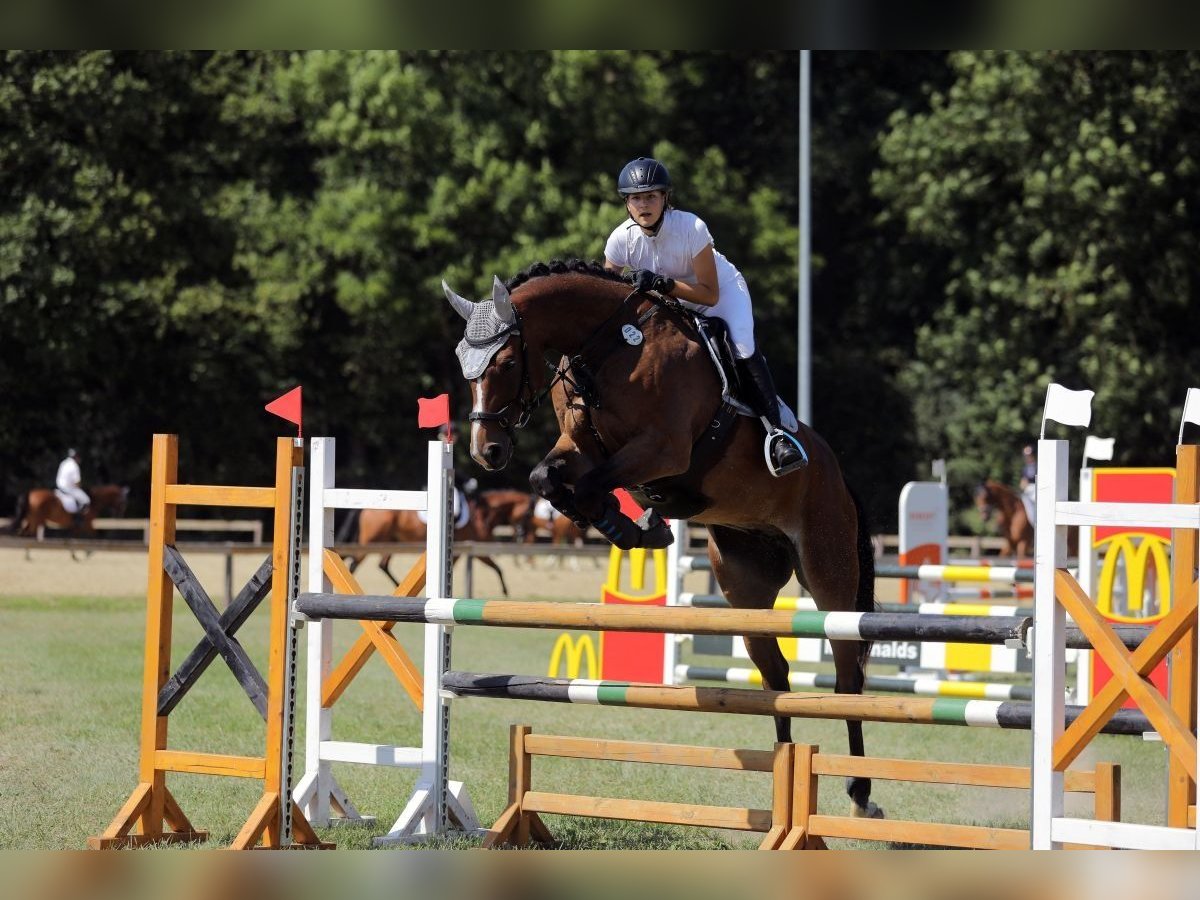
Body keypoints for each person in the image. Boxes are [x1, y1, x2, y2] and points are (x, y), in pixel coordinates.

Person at [602, 156, 807, 477]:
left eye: (651, 196)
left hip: (719, 296)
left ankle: (777, 433)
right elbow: (607, 295)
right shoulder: (620, 240)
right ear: (627, 203)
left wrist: (663, 284)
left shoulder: (691, 228)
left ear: (665, 198)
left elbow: (709, 293)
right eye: (636, 198)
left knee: (741, 347)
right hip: (670, 302)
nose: (644, 205)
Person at [55, 448, 90, 522]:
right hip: (69, 489)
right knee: (86, 500)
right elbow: (77, 483)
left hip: (58, 487)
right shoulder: (74, 466)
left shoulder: (63, 462)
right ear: (76, 457)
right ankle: (78, 519)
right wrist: (81, 488)